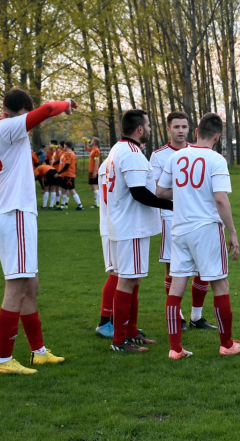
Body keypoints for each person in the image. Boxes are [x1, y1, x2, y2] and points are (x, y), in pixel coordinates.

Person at [0, 88, 75, 374]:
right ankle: (2, 359)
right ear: (23, 111)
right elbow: (49, 110)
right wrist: (67, 104)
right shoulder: (8, 125)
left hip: (18, 213)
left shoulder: (3, 127)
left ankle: (38, 351)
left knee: (30, 286)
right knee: (16, 285)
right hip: (15, 213)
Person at [156, 113, 240, 359]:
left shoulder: (176, 157)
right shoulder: (216, 159)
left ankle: (175, 348)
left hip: (179, 229)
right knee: (220, 284)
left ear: (196, 130)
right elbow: (220, 198)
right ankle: (227, 344)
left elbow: (161, 191)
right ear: (218, 137)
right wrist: (233, 233)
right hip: (206, 229)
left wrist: (185, 197)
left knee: (177, 285)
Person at [106, 109, 173, 353]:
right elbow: (140, 193)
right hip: (131, 226)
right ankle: (119, 339)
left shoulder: (119, 148)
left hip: (126, 224)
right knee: (127, 281)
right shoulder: (132, 153)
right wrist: (171, 204)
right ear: (140, 129)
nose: (150, 129)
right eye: (148, 125)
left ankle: (131, 332)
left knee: (133, 280)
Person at [150, 112, 216, 331]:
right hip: (171, 218)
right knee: (173, 270)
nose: (180, 130)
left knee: (202, 269)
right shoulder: (158, 156)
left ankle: (196, 317)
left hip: (198, 218)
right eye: (176, 126)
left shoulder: (196, 152)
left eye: (184, 126)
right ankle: (177, 316)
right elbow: (157, 191)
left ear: (191, 130)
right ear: (168, 129)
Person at [95, 158, 117, 338]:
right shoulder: (110, 163)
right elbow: (108, 197)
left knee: (126, 275)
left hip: (121, 227)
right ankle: (104, 322)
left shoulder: (114, 160)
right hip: (112, 227)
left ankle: (118, 321)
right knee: (116, 273)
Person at [57, 141, 83, 211]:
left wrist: (59, 172)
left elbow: (67, 166)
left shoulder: (69, 154)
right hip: (67, 175)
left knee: (71, 190)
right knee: (64, 190)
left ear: (65, 146)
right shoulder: (68, 153)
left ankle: (80, 205)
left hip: (69, 175)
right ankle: (62, 206)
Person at [84, 137, 102, 208]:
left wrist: (95, 172)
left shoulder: (96, 150)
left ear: (95, 143)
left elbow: (97, 161)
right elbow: (86, 148)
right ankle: (97, 203)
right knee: (94, 187)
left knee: (94, 186)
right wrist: (85, 141)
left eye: (92, 140)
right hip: (91, 171)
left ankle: (98, 203)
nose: (91, 141)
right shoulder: (92, 150)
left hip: (94, 171)